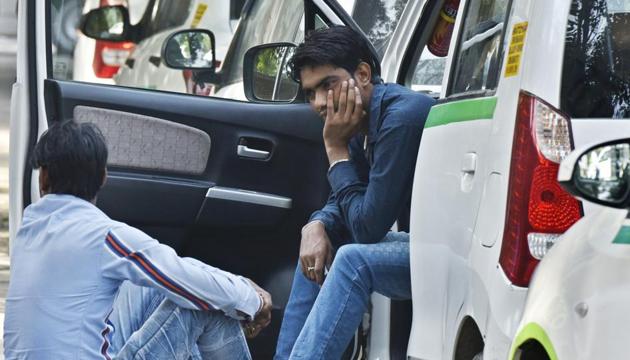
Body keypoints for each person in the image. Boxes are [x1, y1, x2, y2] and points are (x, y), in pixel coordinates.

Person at [3, 121, 272, 359]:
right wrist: (253, 301)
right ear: (103, 177)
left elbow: (174, 273)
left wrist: (237, 287)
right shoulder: (104, 236)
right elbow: (190, 283)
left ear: (44, 177)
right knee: (206, 304)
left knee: (159, 286)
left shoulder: (29, 231)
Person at [274, 26, 435, 359]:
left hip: (453, 254)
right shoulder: (363, 117)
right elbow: (344, 201)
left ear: (362, 73)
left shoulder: (400, 117)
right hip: (426, 247)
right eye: (309, 93)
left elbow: (367, 228)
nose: (319, 102)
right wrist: (317, 224)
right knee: (318, 242)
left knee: (352, 258)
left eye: (328, 85)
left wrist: (335, 148)